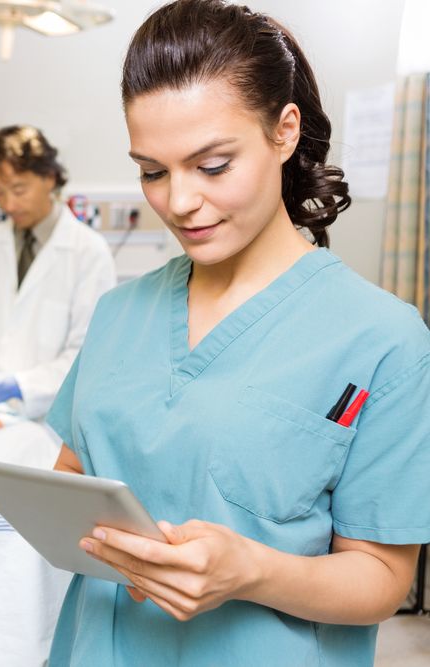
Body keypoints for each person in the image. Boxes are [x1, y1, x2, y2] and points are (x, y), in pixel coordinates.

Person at [46, 1, 430, 664]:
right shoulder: (120, 313)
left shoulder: (382, 339)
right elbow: (74, 479)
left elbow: (382, 579)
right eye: (153, 171)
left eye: (213, 165)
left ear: (284, 132)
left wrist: (250, 570)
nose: (180, 202)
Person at [0, 125, 116, 420]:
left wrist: (19, 386)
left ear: (49, 178)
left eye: (18, 189)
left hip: (50, 423)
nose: (8, 204)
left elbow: (87, 357)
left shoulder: (89, 254)